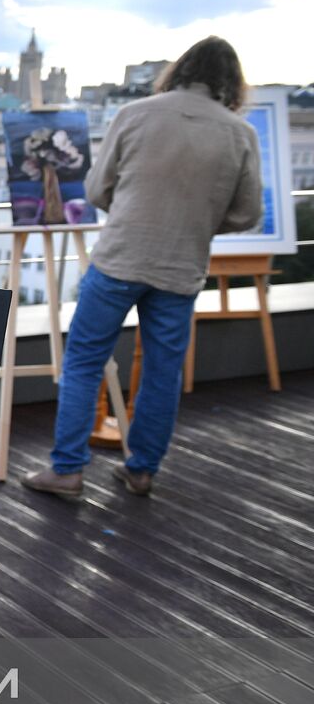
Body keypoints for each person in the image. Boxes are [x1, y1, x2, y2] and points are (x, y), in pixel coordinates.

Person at [24, 36, 262, 499]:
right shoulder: (240, 133)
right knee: (161, 369)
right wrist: (201, 220)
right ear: (232, 82)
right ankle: (141, 470)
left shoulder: (135, 114)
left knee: (84, 362)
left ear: (180, 69)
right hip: (182, 265)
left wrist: (129, 207)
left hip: (119, 258)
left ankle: (68, 470)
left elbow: (95, 190)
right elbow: (247, 213)